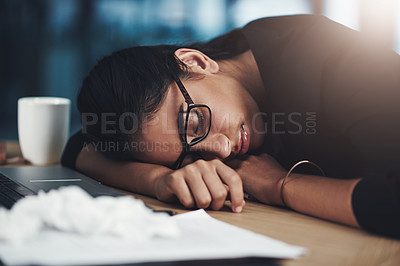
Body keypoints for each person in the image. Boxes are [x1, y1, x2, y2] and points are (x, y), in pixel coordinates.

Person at [61, 15, 400, 238]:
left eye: (195, 123)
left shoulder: (338, 63)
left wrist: (281, 185)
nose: (221, 150)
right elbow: (79, 147)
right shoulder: (225, 69)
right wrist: (161, 179)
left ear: (195, 62)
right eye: (186, 157)